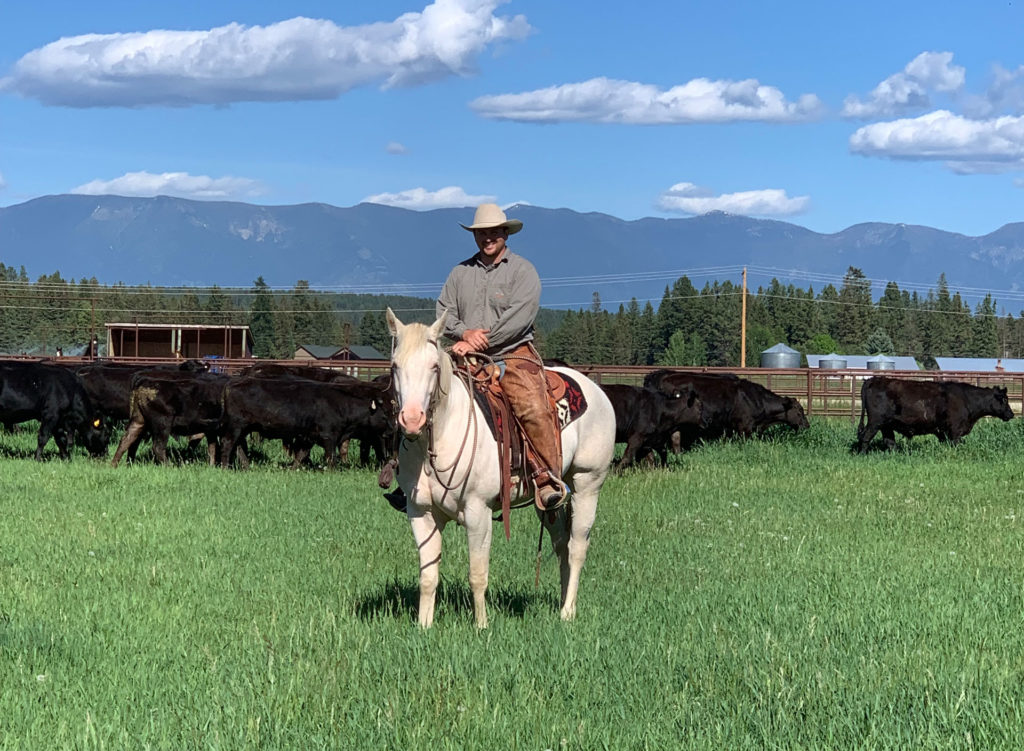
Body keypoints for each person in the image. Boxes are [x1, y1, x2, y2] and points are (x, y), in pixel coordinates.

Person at [440, 203, 568, 509]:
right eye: (482, 233)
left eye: (494, 232)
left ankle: (547, 479)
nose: (487, 238)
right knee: (420, 391)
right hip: (463, 352)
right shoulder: (460, 273)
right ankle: (412, 475)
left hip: (513, 354)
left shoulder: (523, 271)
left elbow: (518, 319)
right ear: (475, 235)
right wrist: (463, 334)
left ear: (505, 233)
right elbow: (443, 313)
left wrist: (478, 342)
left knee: (532, 407)